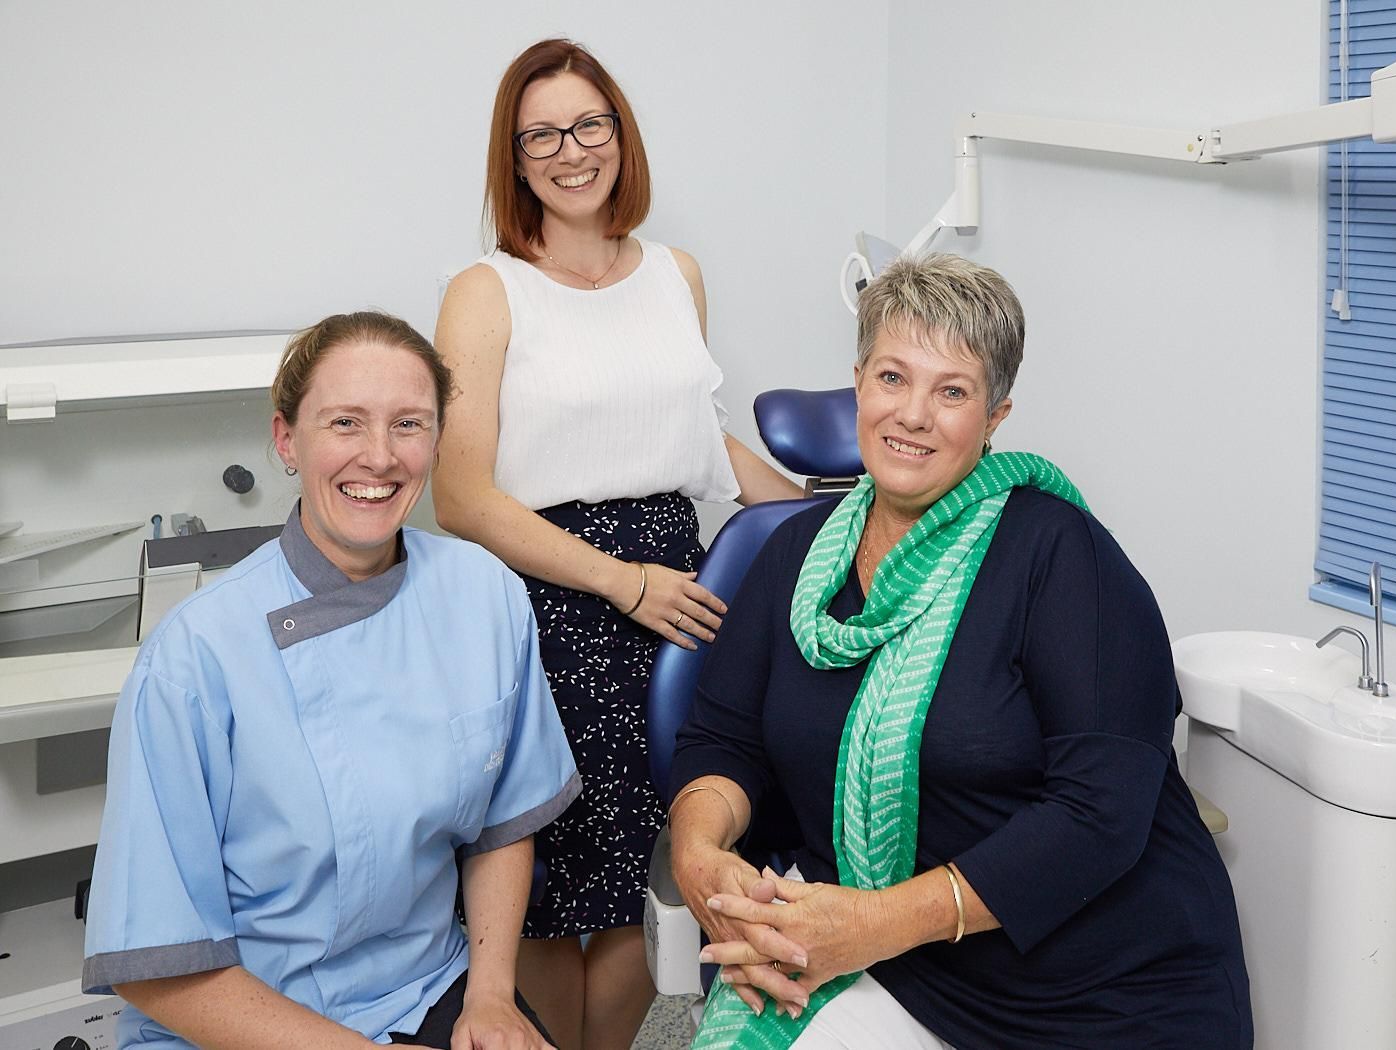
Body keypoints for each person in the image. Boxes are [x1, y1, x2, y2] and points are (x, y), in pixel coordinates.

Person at [668, 254, 1253, 1050]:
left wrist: (876, 922)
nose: (913, 414)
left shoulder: (1061, 557)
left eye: (952, 391)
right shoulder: (792, 558)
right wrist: (700, 853)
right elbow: (723, 741)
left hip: (1095, 985)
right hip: (890, 957)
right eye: (892, 377)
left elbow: (1100, 815)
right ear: (858, 384)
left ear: (995, 417)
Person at [431, 37, 802, 1050]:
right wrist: (618, 583)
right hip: (546, 597)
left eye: (586, 124)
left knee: (652, 858)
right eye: (539, 133)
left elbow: (700, 438)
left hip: (676, 591)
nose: (568, 150)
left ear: (619, 135)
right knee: (549, 881)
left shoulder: (674, 274)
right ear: (514, 160)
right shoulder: (485, 290)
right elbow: (459, 494)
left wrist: (826, 521)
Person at [82, 312, 578, 1050]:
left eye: (409, 424)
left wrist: (493, 994)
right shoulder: (196, 656)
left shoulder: (484, 594)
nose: (379, 457)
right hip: (238, 1018)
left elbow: (503, 824)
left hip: (427, 985)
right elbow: (157, 966)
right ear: (287, 439)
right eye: (345, 422)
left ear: (437, 441)